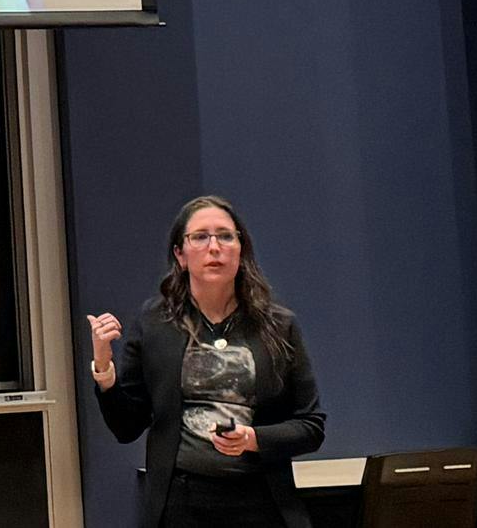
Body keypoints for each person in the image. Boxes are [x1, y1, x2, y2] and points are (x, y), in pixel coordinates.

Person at [86, 196, 325, 528]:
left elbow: (311, 426)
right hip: (183, 501)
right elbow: (126, 427)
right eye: (200, 236)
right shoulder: (155, 322)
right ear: (180, 255)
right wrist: (104, 368)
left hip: (260, 497)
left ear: (241, 250)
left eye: (226, 236)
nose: (214, 247)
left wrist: (253, 438)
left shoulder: (279, 325)